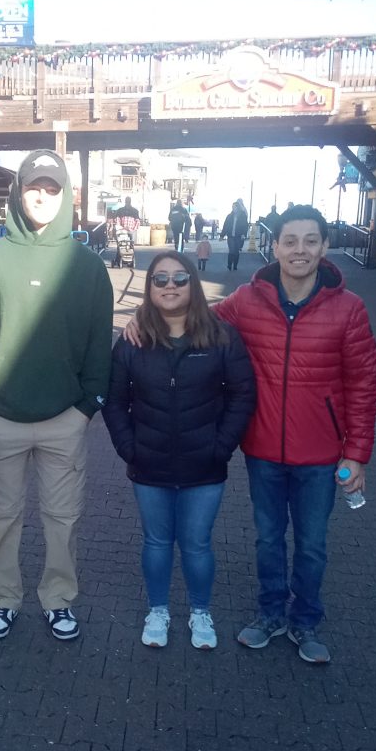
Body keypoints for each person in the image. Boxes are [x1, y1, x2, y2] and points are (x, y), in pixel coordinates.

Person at [126, 205, 376, 664]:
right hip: (263, 449)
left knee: (312, 543)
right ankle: (269, 614)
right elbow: (197, 314)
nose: (299, 250)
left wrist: (357, 454)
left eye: (309, 241)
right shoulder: (247, 299)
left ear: (324, 247)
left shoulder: (349, 309)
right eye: (290, 240)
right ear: (275, 245)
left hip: (322, 453)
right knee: (267, 538)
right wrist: (145, 320)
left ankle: (304, 621)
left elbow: (364, 383)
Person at [0, 149, 114, 642]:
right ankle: (3, 599)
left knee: (62, 518)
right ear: (19, 191)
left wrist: (88, 407)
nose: (42, 197)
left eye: (52, 188)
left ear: (65, 194)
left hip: (64, 418)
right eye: (34, 187)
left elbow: (99, 343)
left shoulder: (88, 267)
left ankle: (58, 599)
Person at [104, 252, 255, 650]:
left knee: (197, 543)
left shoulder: (222, 336)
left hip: (204, 464)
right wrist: (127, 447)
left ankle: (200, 611)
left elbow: (243, 396)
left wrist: (221, 447)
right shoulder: (133, 341)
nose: (170, 286)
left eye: (179, 278)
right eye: (160, 279)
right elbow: (115, 401)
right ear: (149, 288)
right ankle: (158, 610)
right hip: (148, 462)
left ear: (193, 284)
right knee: (156, 541)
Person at [221, 201, 249, 271]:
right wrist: (222, 235)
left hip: (238, 236)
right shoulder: (229, 216)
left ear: (238, 207)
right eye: (232, 207)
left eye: (235, 207)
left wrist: (244, 234)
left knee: (236, 251)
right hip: (230, 236)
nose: (233, 208)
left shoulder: (243, 216)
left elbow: (245, 226)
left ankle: (235, 265)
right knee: (231, 251)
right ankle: (229, 265)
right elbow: (225, 226)